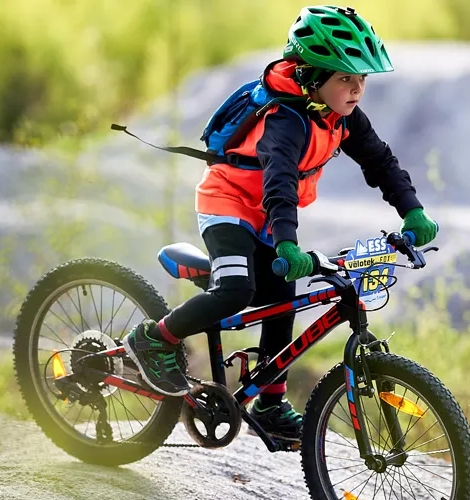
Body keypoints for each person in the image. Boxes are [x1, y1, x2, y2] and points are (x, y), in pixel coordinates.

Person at [122, 5, 439, 444]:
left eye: (362, 78)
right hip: (228, 205)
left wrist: (413, 210)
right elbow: (280, 184)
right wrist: (288, 243)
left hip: (268, 219)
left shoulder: (342, 117)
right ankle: (153, 339)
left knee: (283, 297)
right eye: (345, 78)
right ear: (312, 77)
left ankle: (270, 401)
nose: (357, 89)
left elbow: (380, 162)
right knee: (237, 290)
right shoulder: (285, 121)